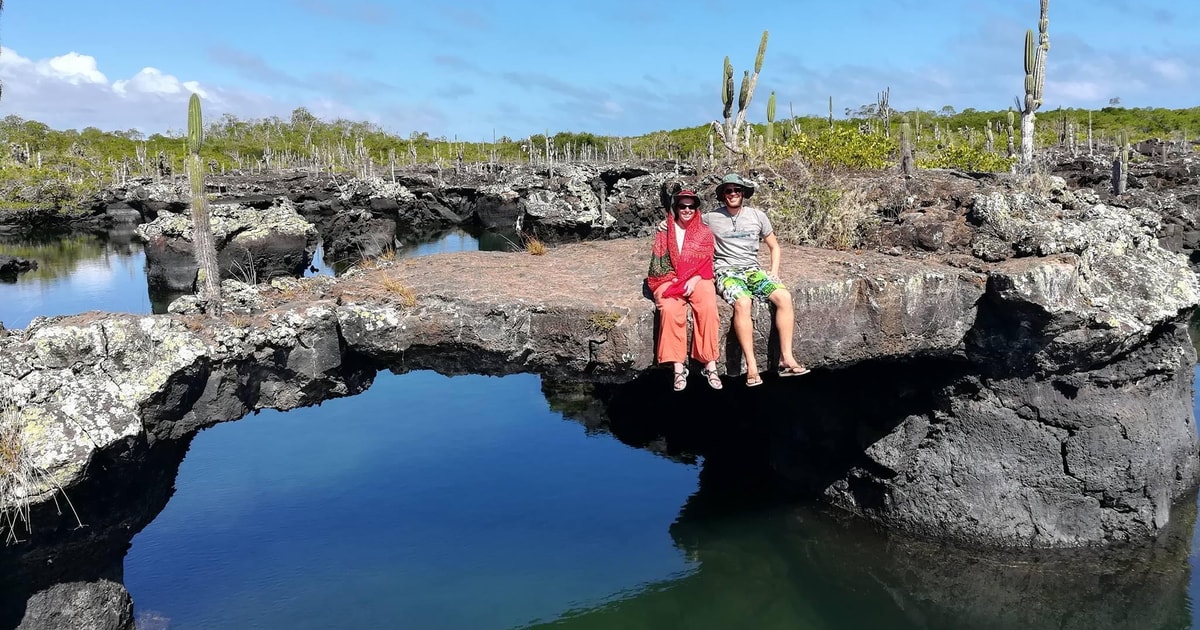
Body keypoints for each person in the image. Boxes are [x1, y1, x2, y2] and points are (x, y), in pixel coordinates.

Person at [708, 173, 808, 387]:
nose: (733, 194)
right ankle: (752, 367)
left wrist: (773, 271)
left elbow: (774, 246)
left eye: (737, 190)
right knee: (743, 302)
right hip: (727, 271)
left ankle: (786, 358)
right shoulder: (711, 218)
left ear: (743, 193)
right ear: (723, 195)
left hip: (753, 270)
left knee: (783, 296)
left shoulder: (758, 216)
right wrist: (665, 225)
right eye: (728, 190)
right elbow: (684, 221)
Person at [646, 189, 723, 391]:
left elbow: (707, 261)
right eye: (682, 206)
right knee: (669, 309)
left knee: (707, 305)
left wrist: (694, 277)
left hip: (698, 277)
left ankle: (710, 364)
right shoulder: (665, 230)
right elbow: (658, 263)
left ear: (696, 208)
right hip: (669, 278)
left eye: (691, 206)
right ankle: (678, 368)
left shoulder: (704, 232)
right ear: (676, 208)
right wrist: (674, 280)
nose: (687, 210)